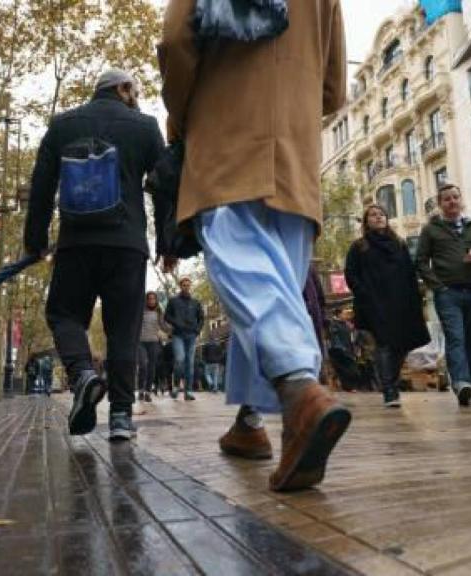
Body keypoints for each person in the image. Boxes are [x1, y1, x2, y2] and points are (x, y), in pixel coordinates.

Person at [161, 0, 350, 492]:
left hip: (227, 127)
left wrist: (180, 120)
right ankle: (250, 422)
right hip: (296, 145)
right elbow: (333, 87)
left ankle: (298, 391)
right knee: (273, 288)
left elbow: (177, 41)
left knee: (241, 266)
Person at [24, 69, 166, 441]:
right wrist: (168, 242)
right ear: (122, 89)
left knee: (64, 314)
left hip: (76, 244)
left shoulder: (61, 125)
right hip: (128, 244)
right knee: (123, 330)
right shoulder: (146, 127)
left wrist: (35, 240)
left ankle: (83, 373)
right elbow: (166, 187)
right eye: (133, 89)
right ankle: (120, 417)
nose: (136, 96)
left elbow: (41, 188)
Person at [415, 184, 471, 407]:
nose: (451, 202)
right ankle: (462, 384)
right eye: (446, 199)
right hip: (448, 294)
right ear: (441, 204)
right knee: (456, 338)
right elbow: (420, 261)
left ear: (461, 200)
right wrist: (438, 287)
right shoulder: (431, 230)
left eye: (455, 197)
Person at [345, 205, 431, 408]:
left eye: (381, 214)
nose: (378, 217)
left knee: (401, 345)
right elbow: (351, 274)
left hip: (400, 303)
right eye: (373, 215)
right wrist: (364, 294)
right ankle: (389, 391)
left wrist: (415, 296)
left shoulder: (399, 243)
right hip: (374, 304)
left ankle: (391, 383)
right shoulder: (359, 246)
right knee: (384, 344)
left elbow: (409, 271)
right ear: (366, 222)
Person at [164, 277, 204, 401]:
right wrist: (177, 323)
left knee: (190, 364)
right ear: (180, 286)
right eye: (184, 285)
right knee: (180, 360)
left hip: (191, 335)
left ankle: (188, 392)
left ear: (190, 286)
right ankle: (176, 387)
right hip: (178, 335)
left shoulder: (196, 302)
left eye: (188, 285)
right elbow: (167, 316)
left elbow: (201, 318)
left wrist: (197, 330)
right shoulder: (173, 301)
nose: (186, 287)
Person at [138, 291, 167, 402]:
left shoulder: (159, 312)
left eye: (153, 299)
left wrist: (172, 330)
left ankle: (148, 392)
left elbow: (163, 326)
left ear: (156, 300)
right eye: (149, 298)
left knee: (151, 368)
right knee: (143, 365)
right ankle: (141, 390)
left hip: (154, 342)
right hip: (141, 342)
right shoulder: (141, 311)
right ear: (146, 300)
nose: (151, 301)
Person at [327, 308, 360, 391]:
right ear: (339, 315)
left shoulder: (345, 324)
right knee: (346, 370)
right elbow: (334, 337)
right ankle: (348, 387)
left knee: (351, 369)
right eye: (344, 314)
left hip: (349, 350)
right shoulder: (334, 324)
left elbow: (351, 337)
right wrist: (340, 347)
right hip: (340, 351)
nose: (346, 316)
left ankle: (349, 386)